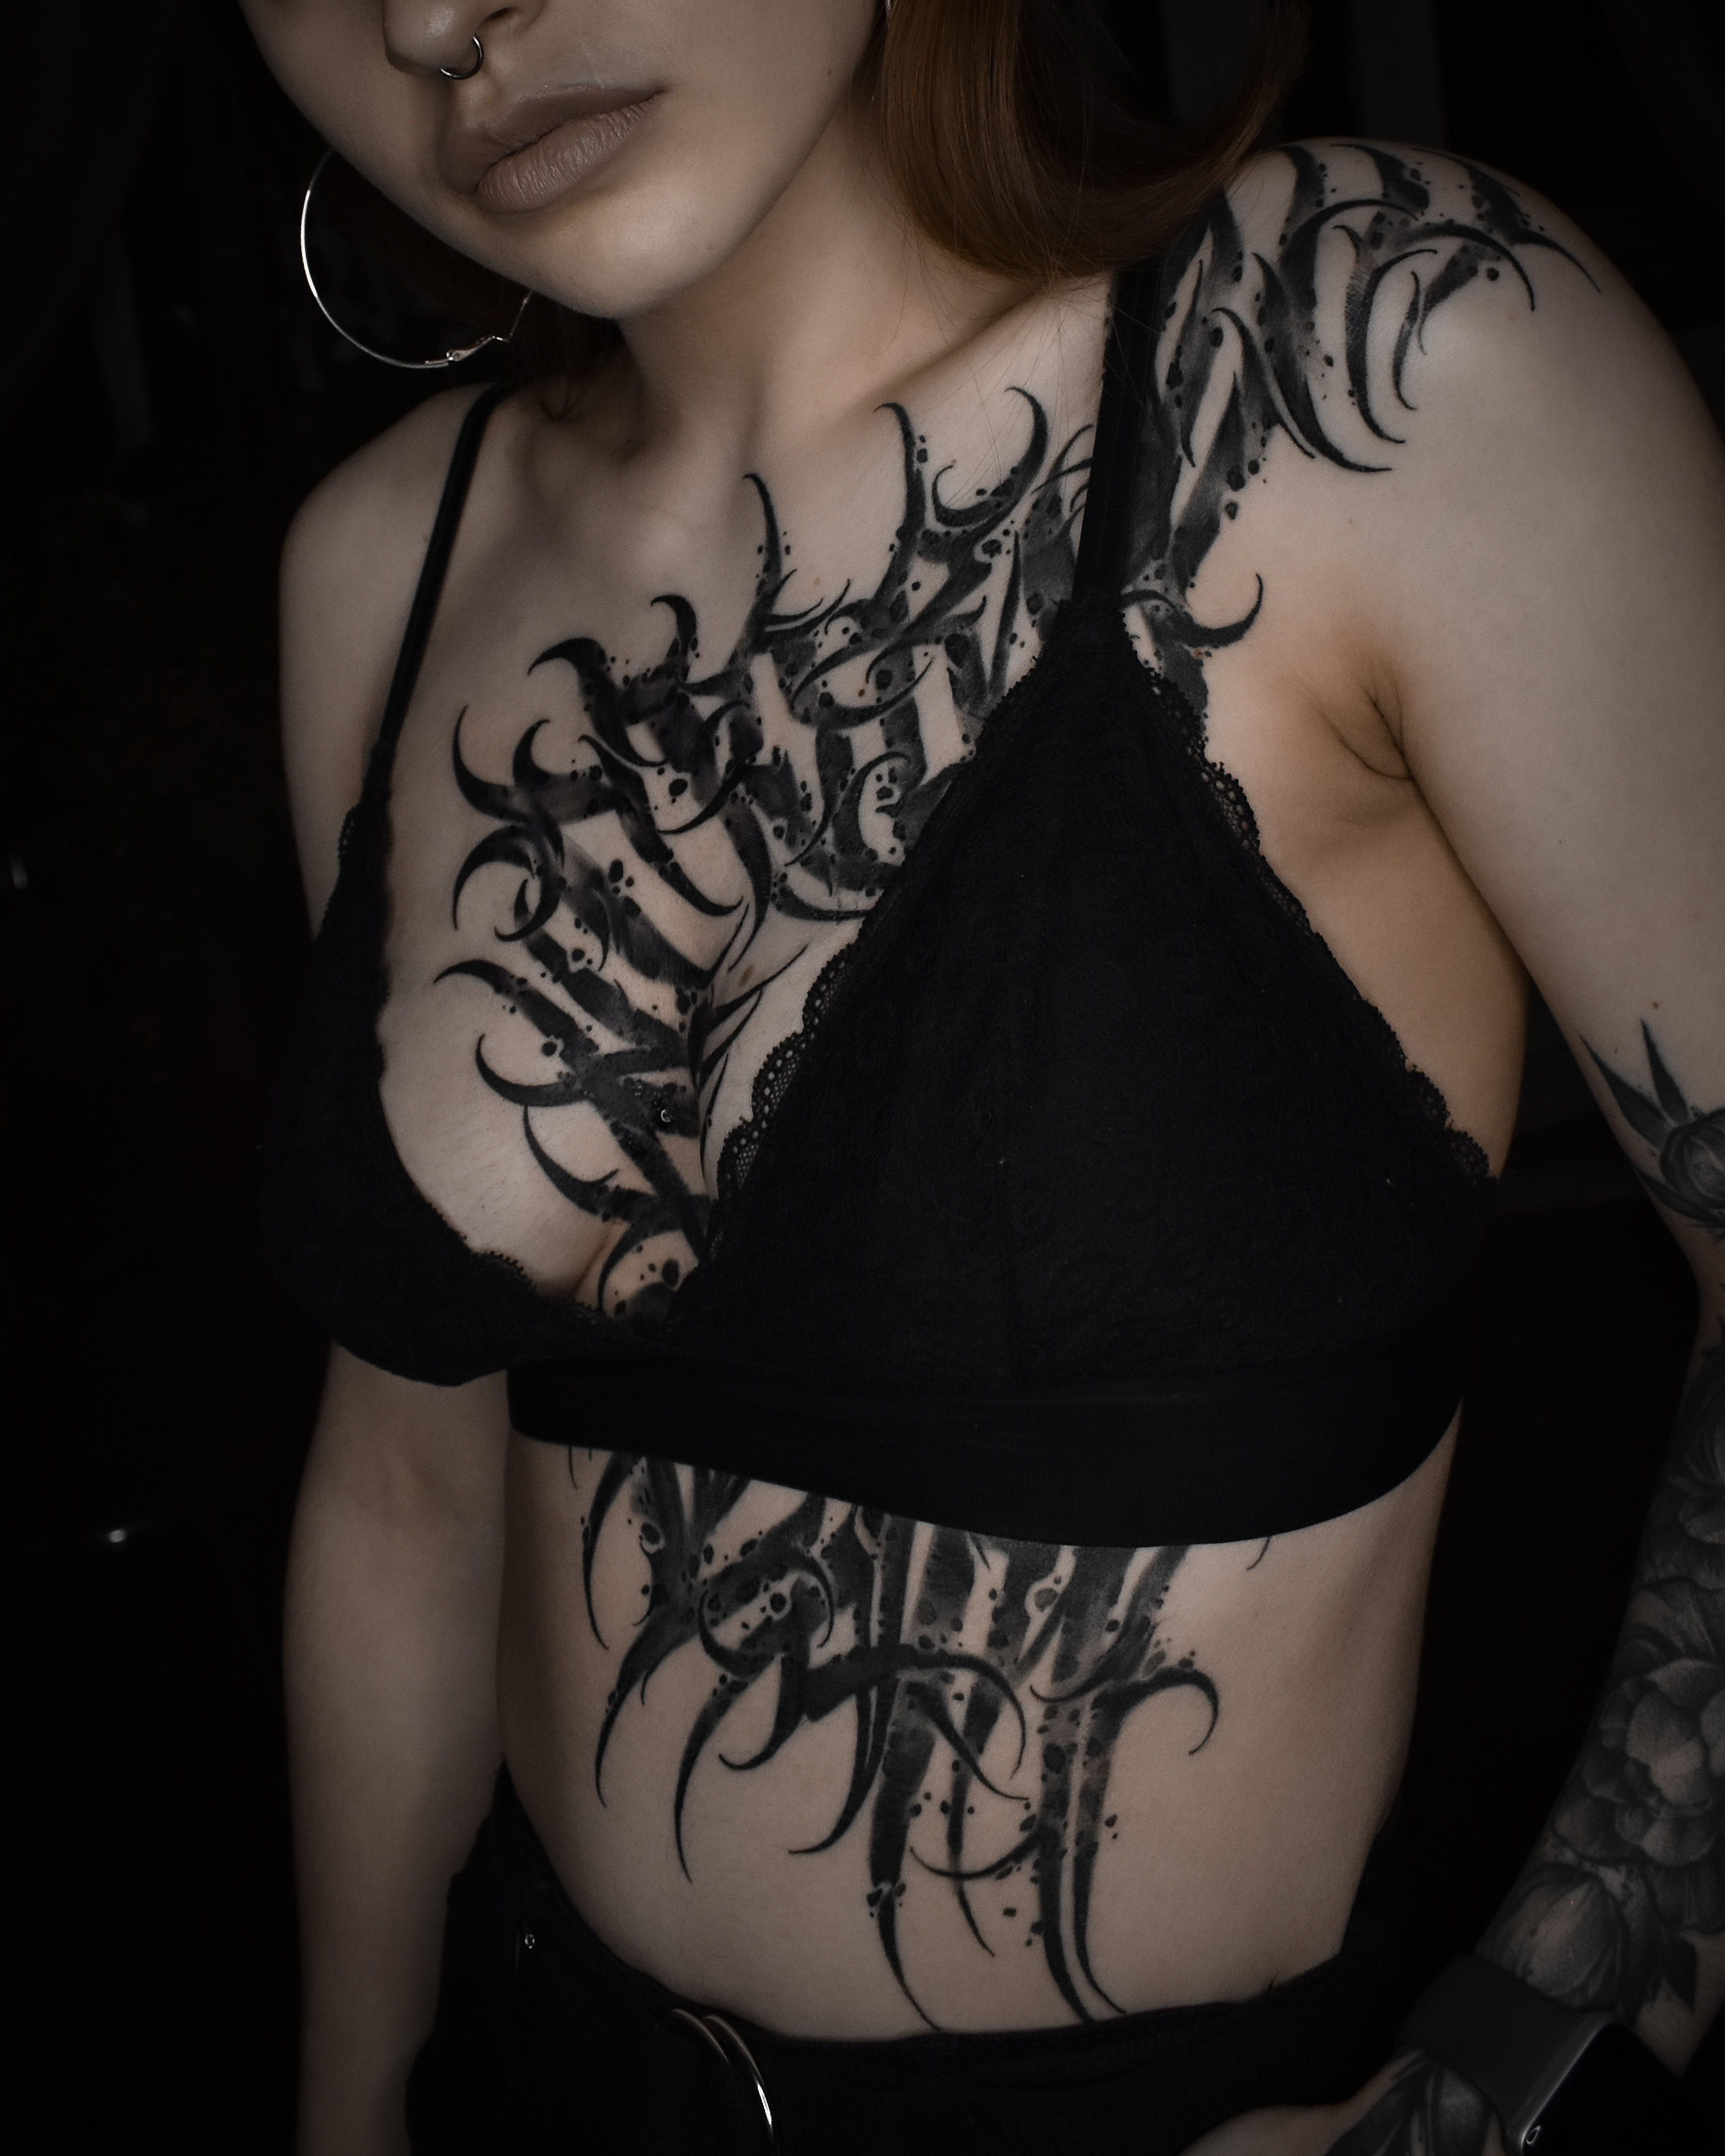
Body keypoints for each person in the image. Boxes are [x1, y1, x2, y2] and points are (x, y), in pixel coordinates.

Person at [240, 2, 1725, 2151]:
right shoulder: (386, 572)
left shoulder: (1369, 365)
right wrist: (347, 2103)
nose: (435, 17)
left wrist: (1506, 2084)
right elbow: (409, 1491)